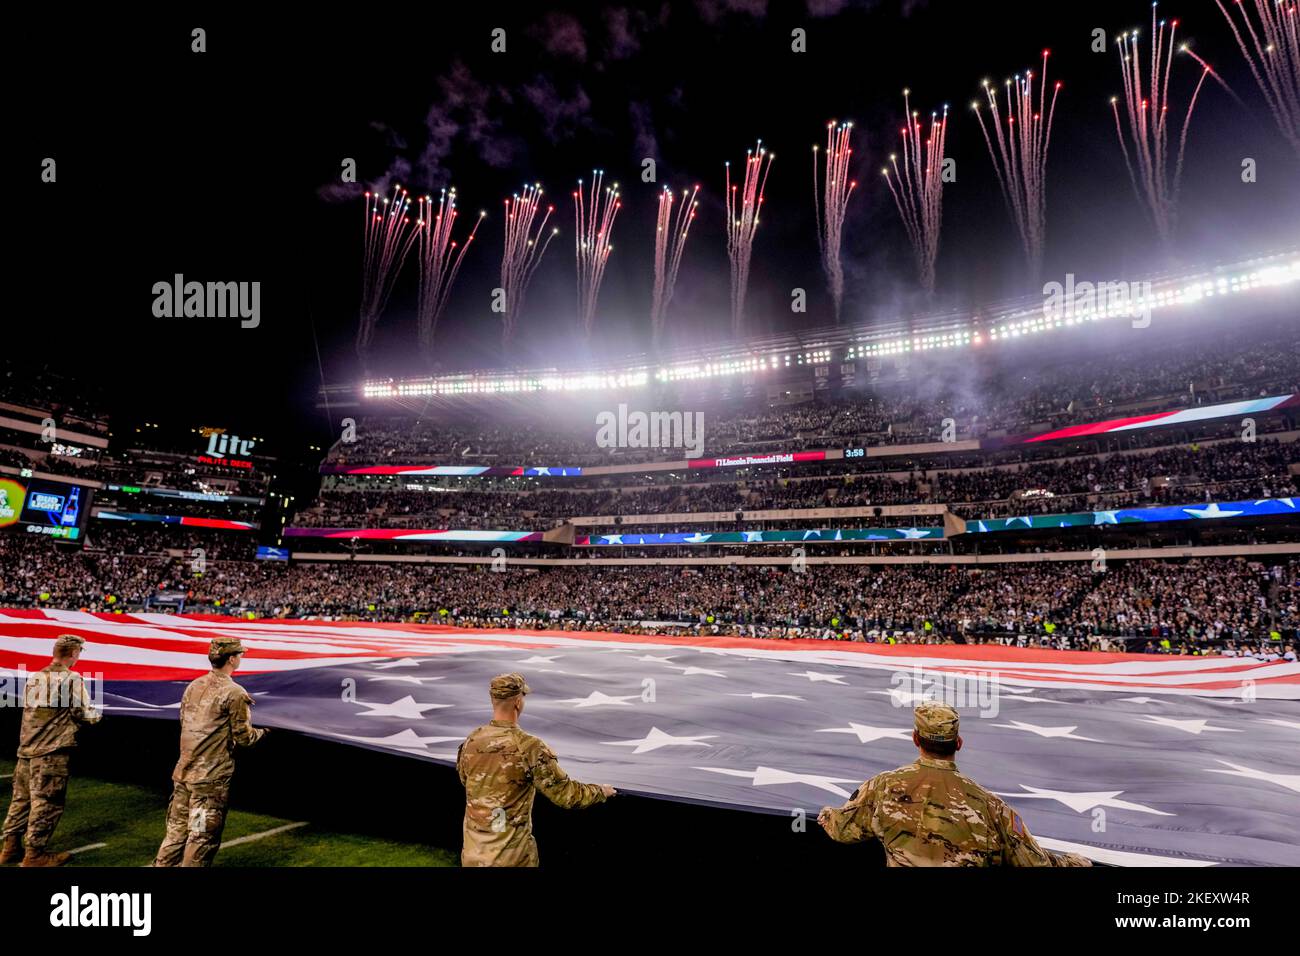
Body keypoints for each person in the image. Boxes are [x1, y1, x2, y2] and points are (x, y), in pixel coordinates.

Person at [818, 701, 1091, 867]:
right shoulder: (990, 806)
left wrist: (828, 815)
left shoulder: (884, 787)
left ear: (915, 739)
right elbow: (1033, 862)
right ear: (958, 744)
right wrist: (1074, 862)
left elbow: (843, 830)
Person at [456, 672, 614, 866]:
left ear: (493, 700)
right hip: (512, 859)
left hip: (473, 855)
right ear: (517, 702)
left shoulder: (471, 740)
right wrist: (601, 792)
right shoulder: (529, 747)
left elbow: (465, 780)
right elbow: (566, 795)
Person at [153, 636, 266, 867]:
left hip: (184, 772)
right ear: (232, 659)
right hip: (209, 780)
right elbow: (243, 738)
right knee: (200, 836)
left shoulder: (194, 685)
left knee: (175, 833)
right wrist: (265, 732)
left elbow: (184, 720)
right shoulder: (234, 693)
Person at [1, 634, 101, 867]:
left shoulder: (35, 677)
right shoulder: (71, 679)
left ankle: (10, 847)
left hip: (26, 750)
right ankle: (34, 855)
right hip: (50, 752)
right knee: (47, 803)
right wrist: (97, 715)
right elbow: (84, 713)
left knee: (20, 801)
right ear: (74, 654)